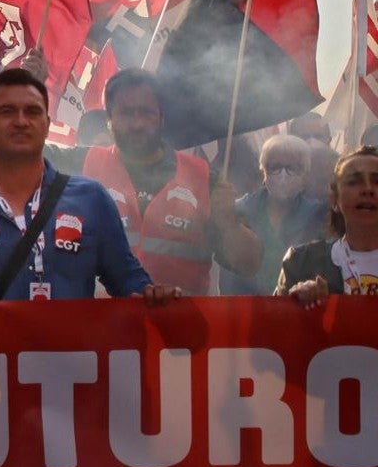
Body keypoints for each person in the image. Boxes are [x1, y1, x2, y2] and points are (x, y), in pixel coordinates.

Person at [0, 68, 177, 307]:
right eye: (7, 111)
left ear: (47, 124)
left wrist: (152, 295)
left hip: (72, 360)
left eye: (33, 111)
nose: (21, 121)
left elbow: (127, 279)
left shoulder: (91, 199)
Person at [39, 66, 262, 296]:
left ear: (161, 117)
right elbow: (20, 154)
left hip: (178, 327)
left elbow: (249, 264)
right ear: (109, 119)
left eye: (146, 112)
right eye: (126, 113)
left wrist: (230, 224)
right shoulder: (81, 165)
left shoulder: (204, 179)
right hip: (102, 327)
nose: (137, 124)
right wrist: (29, 87)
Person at [221, 135, 329, 295]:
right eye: (274, 167)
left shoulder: (319, 215)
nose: (283, 174)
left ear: (306, 175)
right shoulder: (239, 209)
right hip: (242, 306)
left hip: (296, 307)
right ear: (262, 170)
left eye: (293, 168)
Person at [277, 146, 378, 305]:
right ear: (334, 201)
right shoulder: (301, 262)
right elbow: (271, 322)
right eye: (354, 182)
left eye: (377, 181)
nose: (368, 189)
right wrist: (296, 302)